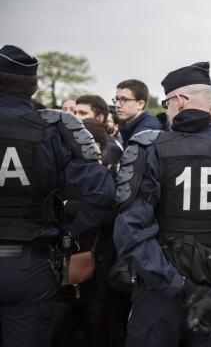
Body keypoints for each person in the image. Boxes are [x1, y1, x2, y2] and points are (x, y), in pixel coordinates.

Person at [113, 61, 211, 347]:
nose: (166, 110)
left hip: (158, 298)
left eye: (166, 103)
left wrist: (181, 289)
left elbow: (131, 233)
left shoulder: (150, 149)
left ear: (178, 100)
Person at [0, 45, 115, 347]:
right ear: (36, 86)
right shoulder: (53, 129)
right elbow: (102, 193)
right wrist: (71, 237)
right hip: (30, 265)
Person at [52, 118, 123, 347]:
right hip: (89, 262)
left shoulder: (104, 177)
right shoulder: (107, 177)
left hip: (85, 262)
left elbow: (111, 213)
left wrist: (68, 206)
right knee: (94, 331)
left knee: (73, 329)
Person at [74, 94, 123, 176]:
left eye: (82, 113)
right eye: (75, 113)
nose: (75, 117)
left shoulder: (111, 148)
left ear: (100, 118)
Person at [112, 79, 167, 147]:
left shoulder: (146, 131)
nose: (117, 105)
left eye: (124, 99)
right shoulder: (135, 128)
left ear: (140, 104)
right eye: (117, 99)